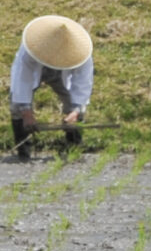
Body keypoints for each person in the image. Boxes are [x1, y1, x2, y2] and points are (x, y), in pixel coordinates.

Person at [10, 16, 94, 157]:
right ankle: (23, 150)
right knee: (16, 105)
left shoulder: (81, 54)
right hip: (36, 70)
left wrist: (75, 111)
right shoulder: (30, 50)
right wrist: (26, 112)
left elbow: (82, 85)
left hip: (62, 74)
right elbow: (21, 80)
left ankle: (74, 147)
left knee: (76, 109)